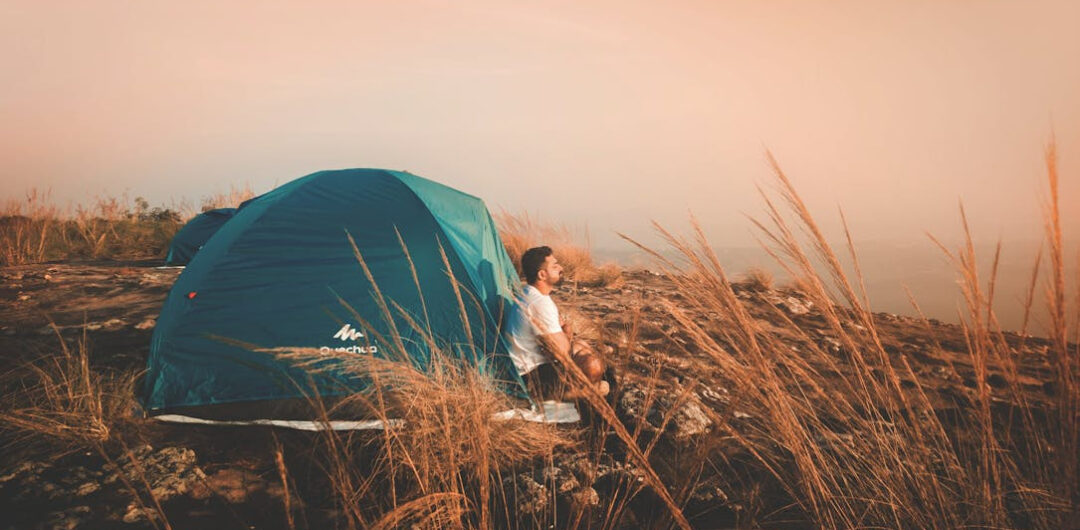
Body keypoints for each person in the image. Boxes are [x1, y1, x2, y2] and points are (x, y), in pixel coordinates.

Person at [508, 246, 609, 401]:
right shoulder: (539, 303)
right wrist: (567, 333)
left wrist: (568, 338)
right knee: (593, 365)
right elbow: (561, 352)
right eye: (555, 266)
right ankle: (579, 394)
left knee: (582, 346)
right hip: (530, 377)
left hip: (526, 368)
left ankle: (585, 388)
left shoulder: (529, 293)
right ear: (542, 275)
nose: (561, 268)